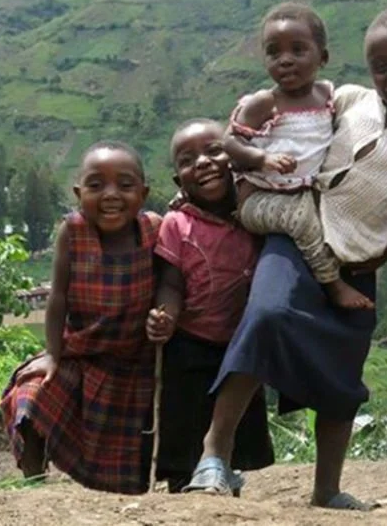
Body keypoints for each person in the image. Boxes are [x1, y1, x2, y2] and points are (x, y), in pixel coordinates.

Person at [183, 5, 387, 510]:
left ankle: (327, 487)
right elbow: (290, 125)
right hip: (296, 238)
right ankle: (215, 452)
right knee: (266, 317)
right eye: (382, 65)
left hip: (359, 264)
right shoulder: (350, 99)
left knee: (342, 370)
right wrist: (234, 181)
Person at [0, 141, 161, 494]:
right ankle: (35, 484)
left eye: (125, 185)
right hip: (81, 353)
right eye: (96, 185)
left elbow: (170, 286)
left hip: (137, 362)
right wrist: (52, 355)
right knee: (29, 397)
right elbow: (57, 298)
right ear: (78, 193)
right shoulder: (73, 232)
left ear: (144, 193)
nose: (111, 195)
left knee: (130, 455)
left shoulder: (153, 230)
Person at [146, 119, 275, 494]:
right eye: (188, 160)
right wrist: (165, 315)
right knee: (184, 423)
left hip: (240, 343)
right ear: (178, 182)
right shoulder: (176, 224)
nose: (202, 163)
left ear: (236, 160)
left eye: (214, 151)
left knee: (236, 422)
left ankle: (224, 476)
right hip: (190, 342)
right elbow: (171, 283)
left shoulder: (255, 215)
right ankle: (186, 486)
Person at [222, 3, 373, 310]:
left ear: (323, 57)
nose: (285, 61)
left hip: (302, 190)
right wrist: (261, 159)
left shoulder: (327, 96)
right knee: (302, 218)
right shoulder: (264, 102)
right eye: (274, 52)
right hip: (257, 200)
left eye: (298, 50)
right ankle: (332, 284)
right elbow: (229, 142)